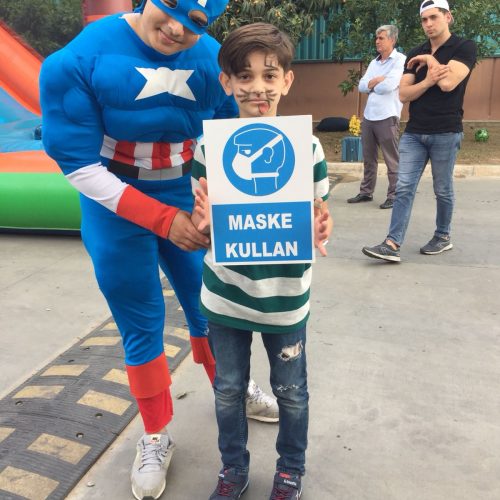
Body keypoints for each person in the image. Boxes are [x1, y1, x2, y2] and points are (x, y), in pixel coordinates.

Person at [39, 2, 278, 499]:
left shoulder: (215, 60)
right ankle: (154, 432)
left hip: (188, 189)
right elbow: (78, 164)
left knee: (212, 306)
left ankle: (231, 389)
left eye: (196, 22)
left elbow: (232, 140)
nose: (176, 28)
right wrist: (163, 220)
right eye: (170, 7)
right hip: (113, 199)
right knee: (140, 318)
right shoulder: (79, 60)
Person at [190, 22, 333, 500]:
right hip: (225, 297)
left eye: (269, 76)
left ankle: (290, 469)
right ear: (227, 82)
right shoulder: (210, 148)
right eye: (244, 76)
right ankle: (233, 468)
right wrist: (204, 223)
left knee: (292, 393)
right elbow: (202, 223)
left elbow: (317, 214)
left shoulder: (307, 148)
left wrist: (321, 228)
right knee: (228, 390)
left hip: (285, 299)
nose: (258, 88)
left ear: (287, 81)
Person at [362, 0, 476, 262]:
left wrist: (429, 60)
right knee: (403, 187)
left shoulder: (464, 47)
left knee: (442, 188)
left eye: (433, 17)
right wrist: (428, 79)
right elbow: (404, 94)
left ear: (448, 17)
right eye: (424, 19)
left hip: (446, 131)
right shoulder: (416, 51)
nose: (428, 24)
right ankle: (392, 244)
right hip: (414, 132)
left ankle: (442, 236)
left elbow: (448, 84)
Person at [347, 24, 405, 209]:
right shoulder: (374, 63)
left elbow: (389, 86)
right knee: (368, 158)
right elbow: (361, 86)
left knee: (391, 159)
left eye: (381, 38)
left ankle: (394, 195)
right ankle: (366, 192)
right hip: (369, 117)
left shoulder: (400, 60)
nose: (377, 41)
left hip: (388, 116)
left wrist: (374, 84)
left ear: (392, 40)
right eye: (376, 38)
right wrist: (378, 80)